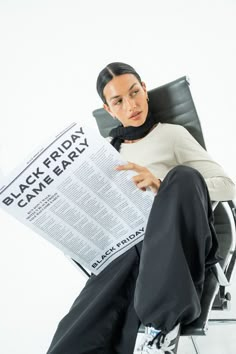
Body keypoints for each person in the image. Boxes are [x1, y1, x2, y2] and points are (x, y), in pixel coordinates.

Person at [46, 62, 236, 354]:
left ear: (145, 90)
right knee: (75, 337)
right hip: (126, 253)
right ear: (108, 110)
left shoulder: (172, 134)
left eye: (135, 93)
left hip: (176, 241)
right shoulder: (106, 151)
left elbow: (227, 185)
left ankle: (160, 332)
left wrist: (162, 185)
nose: (131, 105)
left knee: (183, 176)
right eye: (118, 101)